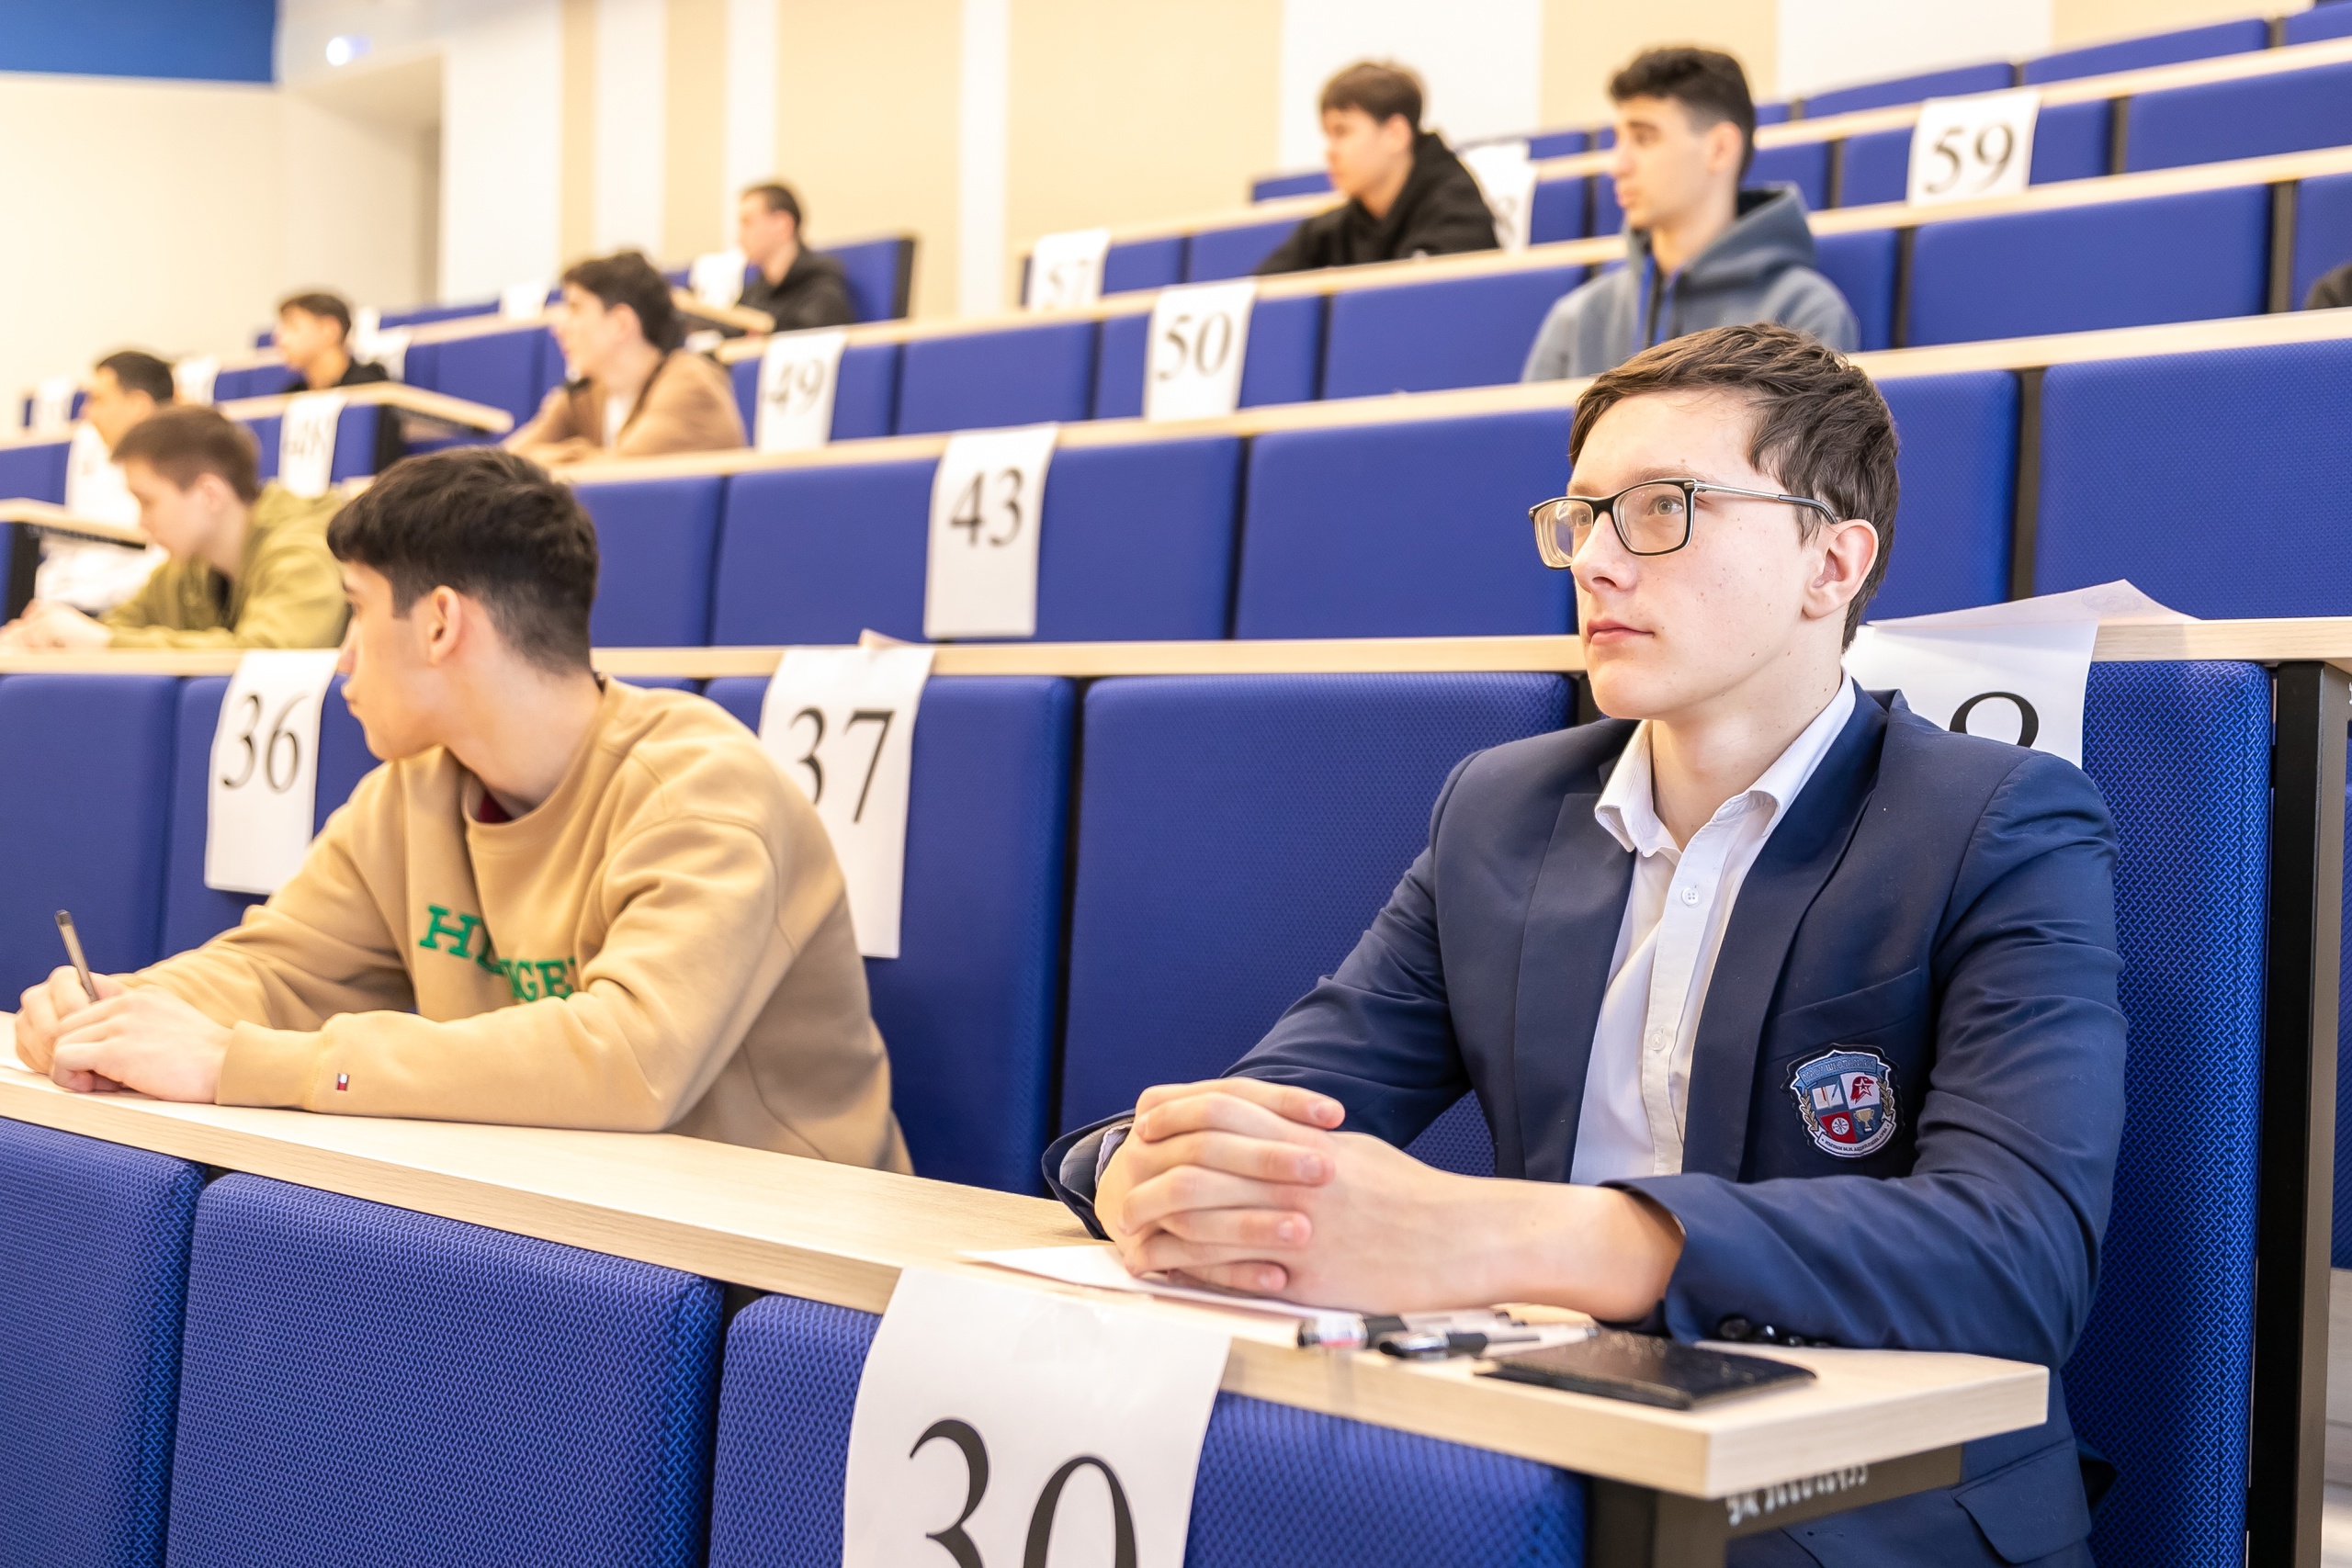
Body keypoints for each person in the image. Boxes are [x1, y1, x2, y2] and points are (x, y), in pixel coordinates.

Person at [1046, 324, 2123, 1563]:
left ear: (1831, 562)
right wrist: (1144, 1172)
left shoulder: (1998, 822)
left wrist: (1495, 1237)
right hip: (1546, 1463)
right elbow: (1282, 1107)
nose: (1598, 561)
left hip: (1870, 1504)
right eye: (1583, 515)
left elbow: (2016, 1262)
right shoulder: (1501, 810)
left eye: (1664, 508)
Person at [14, 446, 910, 1170]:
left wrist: (237, 1063)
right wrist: (122, 1009)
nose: (341, 659)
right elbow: (278, 968)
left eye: (357, 611)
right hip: (564, 1214)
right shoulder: (413, 791)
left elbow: (628, 1060)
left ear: (441, 623)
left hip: (787, 1266)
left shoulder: (702, 791)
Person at [1523, 49, 1856, 382]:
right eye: (1619, 140)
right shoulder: (1574, 321)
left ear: (1720, 149)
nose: (1618, 165)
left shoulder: (1805, 315)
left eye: (1643, 138)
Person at [0, 405, 346, 651]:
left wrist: (104, 643)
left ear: (209, 495)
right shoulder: (188, 565)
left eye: (148, 501)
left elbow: (267, 654)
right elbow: (118, 625)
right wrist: (49, 638)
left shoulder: (303, 550)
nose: (141, 522)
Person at [1254, 62, 1498, 276]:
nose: (1330, 151)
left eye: (1342, 132)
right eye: (1328, 136)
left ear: (1395, 134)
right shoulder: (1330, 231)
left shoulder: (1457, 210)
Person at [506, 250, 746, 465]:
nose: (559, 328)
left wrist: (556, 456)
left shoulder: (690, 383)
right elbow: (502, 468)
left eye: (576, 308)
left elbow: (621, 476)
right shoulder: (585, 395)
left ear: (621, 323)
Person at [31, 348, 175, 615]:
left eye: (98, 400)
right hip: (74, 603)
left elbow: (161, 569)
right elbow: (72, 553)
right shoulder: (92, 451)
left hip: (127, 610)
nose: (86, 413)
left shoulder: (184, 465)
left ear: (138, 405)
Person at [276, 290, 405, 472]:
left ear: (330, 330)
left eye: (292, 327)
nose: (280, 339)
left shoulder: (371, 389)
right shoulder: (290, 395)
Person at [738, 182, 858, 332]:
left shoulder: (822, 289)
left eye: (747, 223)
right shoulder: (753, 293)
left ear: (782, 224)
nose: (740, 237)